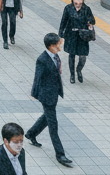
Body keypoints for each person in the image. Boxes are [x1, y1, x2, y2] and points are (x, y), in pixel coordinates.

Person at [25, 33, 74, 167]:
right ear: (51, 46)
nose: (60, 46)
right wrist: (34, 93)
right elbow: (37, 77)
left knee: (47, 117)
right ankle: (60, 154)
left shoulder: (55, 56)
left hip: (54, 94)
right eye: (58, 44)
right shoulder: (42, 59)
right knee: (53, 126)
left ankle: (31, 133)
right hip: (47, 96)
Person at [58, 0, 96, 84]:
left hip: (82, 36)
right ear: (72, 0)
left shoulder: (86, 9)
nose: (78, 4)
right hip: (71, 35)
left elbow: (93, 20)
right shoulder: (68, 8)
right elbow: (63, 21)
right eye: (76, 2)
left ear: (82, 0)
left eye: (80, 2)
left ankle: (79, 70)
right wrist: (61, 33)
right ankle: (72, 75)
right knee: (71, 55)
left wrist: (89, 22)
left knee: (83, 56)